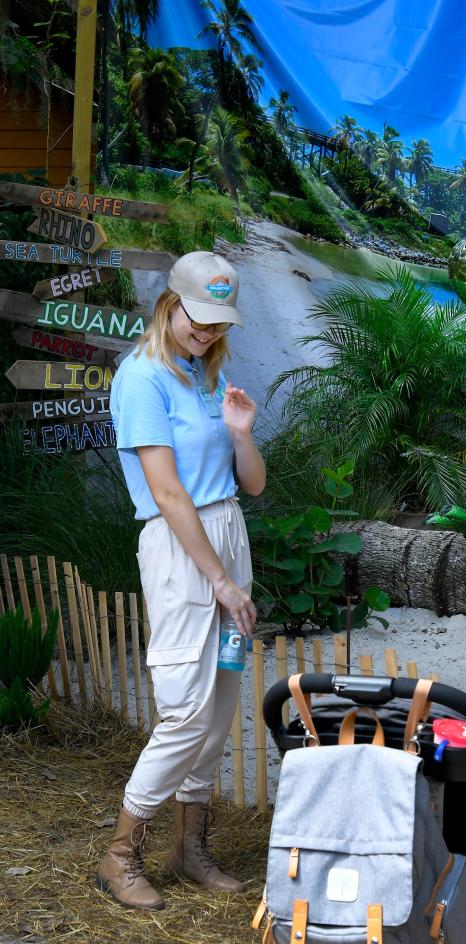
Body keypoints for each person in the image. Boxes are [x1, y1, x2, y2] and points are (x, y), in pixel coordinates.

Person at [95, 251, 266, 910]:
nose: (210, 332)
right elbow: (167, 493)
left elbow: (251, 483)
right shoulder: (142, 379)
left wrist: (241, 434)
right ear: (170, 302)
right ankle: (119, 853)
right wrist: (220, 580)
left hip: (226, 532)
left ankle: (190, 847)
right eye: (201, 319)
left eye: (221, 322)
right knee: (185, 707)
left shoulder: (205, 375)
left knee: (220, 702)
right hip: (180, 547)